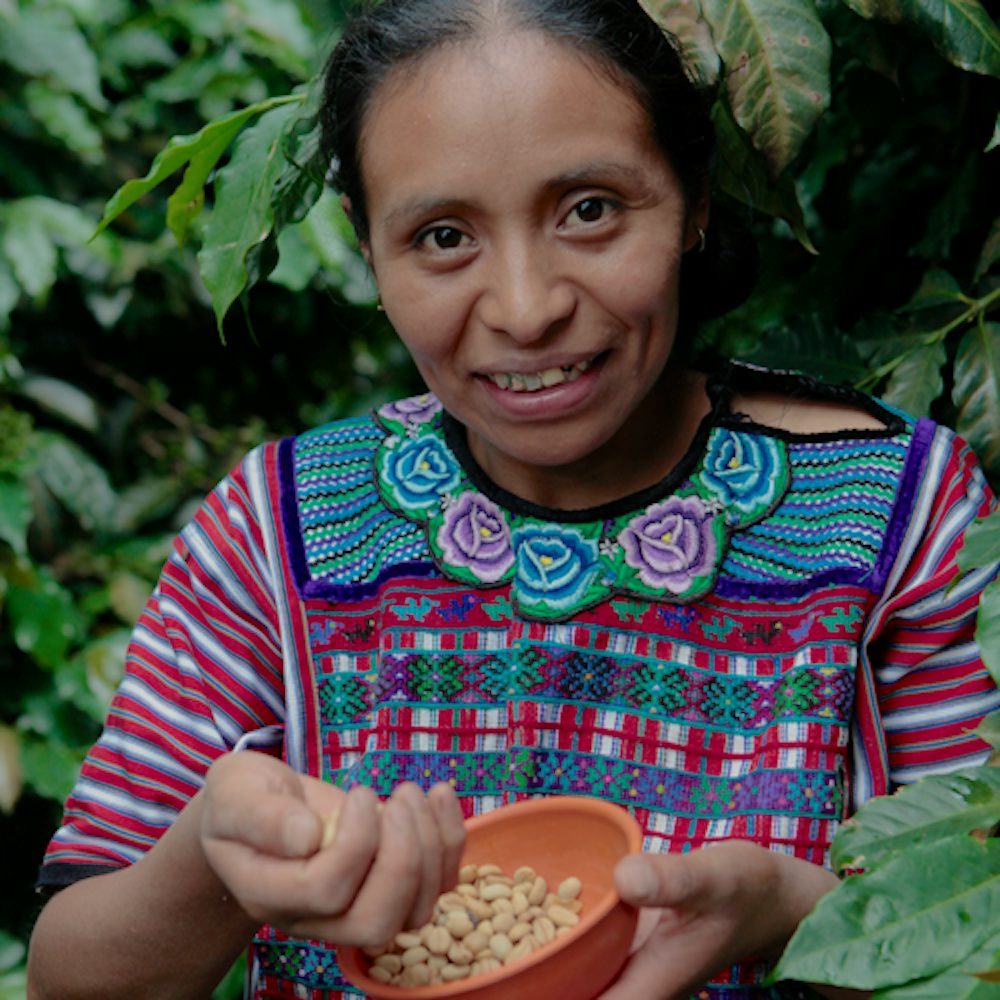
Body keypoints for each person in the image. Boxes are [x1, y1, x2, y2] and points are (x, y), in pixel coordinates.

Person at [28, 0, 1000, 998]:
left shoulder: (899, 514)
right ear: (369, 250)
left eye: (589, 209)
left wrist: (786, 911)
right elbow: (74, 978)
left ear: (694, 201)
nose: (527, 308)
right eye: (444, 236)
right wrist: (209, 855)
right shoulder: (278, 533)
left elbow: (981, 932)